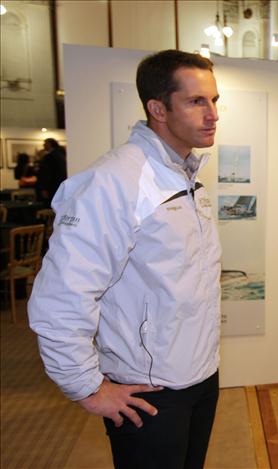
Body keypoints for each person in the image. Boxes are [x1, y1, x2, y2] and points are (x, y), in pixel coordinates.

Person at [28, 50, 222, 469]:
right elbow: (61, 298)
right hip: (148, 391)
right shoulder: (114, 181)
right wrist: (86, 387)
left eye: (214, 100)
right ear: (158, 109)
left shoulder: (188, 180)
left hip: (201, 376)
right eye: (196, 101)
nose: (212, 114)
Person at [35, 138, 67, 206]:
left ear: (50, 144)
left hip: (52, 188)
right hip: (60, 186)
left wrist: (43, 188)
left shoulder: (50, 157)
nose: (43, 145)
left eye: (45, 143)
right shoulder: (62, 155)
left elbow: (46, 174)